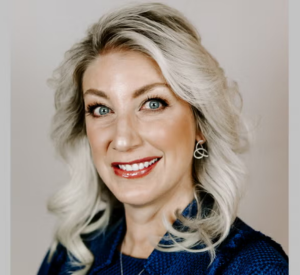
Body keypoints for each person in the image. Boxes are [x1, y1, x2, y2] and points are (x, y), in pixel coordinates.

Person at [37, 2, 288, 275]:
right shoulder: (73, 250)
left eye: (152, 104)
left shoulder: (253, 267)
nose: (122, 139)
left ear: (200, 124)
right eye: (101, 109)